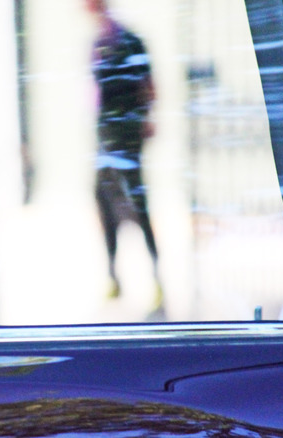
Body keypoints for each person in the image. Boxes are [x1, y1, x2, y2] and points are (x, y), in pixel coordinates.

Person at [86, 0, 162, 309]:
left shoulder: (129, 41)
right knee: (104, 202)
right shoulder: (99, 44)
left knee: (137, 206)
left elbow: (149, 87)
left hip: (126, 140)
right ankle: (114, 277)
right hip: (107, 140)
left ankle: (156, 278)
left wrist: (144, 120)